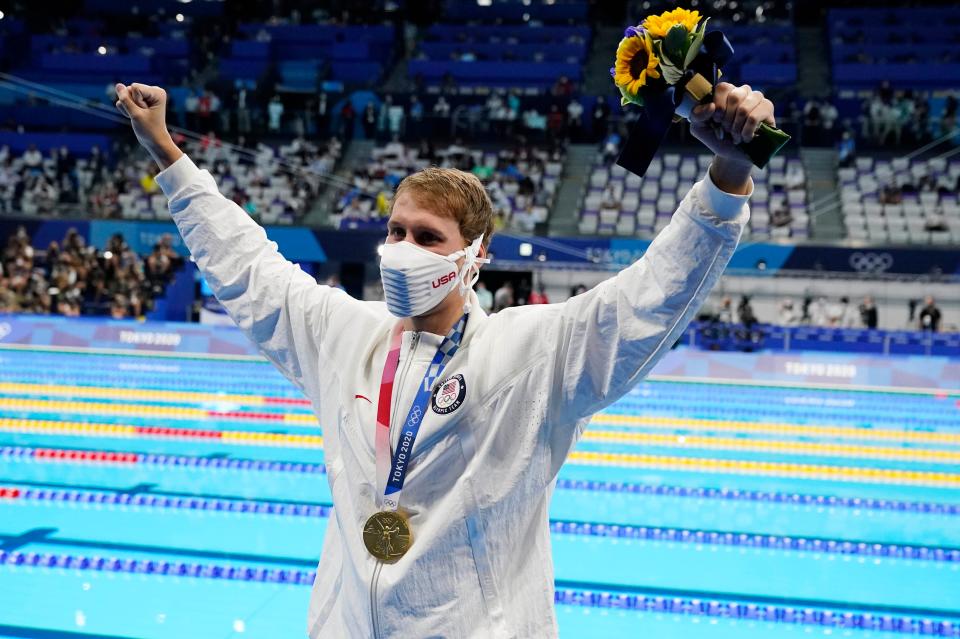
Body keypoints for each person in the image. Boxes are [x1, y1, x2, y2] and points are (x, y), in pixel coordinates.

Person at [114, 79, 771, 638]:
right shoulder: (344, 333)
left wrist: (729, 174)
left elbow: (648, 299)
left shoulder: (534, 350)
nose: (402, 247)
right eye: (396, 231)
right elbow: (244, 264)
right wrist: (166, 152)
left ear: (474, 256)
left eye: (428, 237)